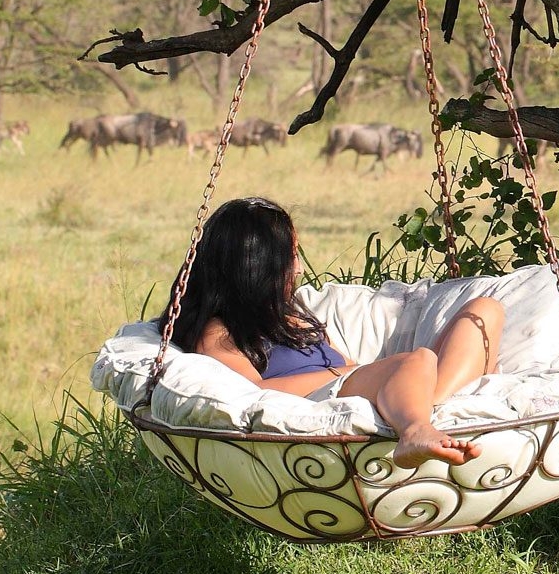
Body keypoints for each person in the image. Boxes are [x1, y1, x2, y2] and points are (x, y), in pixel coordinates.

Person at [172, 197, 503, 466]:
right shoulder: (219, 332)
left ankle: (423, 405)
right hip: (319, 402)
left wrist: (364, 371)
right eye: (290, 257)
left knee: (484, 311)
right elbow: (252, 397)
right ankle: (415, 429)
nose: (299, 268)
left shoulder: (291, 315)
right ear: (255, 266)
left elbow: (349, 364)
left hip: (363, 385)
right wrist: (346, 372)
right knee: (416, 360)